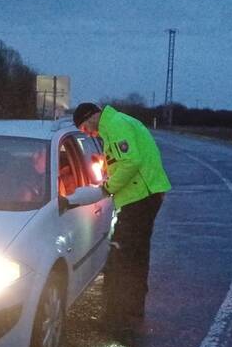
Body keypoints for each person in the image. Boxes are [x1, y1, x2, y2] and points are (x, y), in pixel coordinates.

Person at [72, 102, 171, 331]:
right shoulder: (119, 123)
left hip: (139, 197)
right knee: (136, 255)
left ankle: (118, 316)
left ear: (91, 117)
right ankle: (133, 310)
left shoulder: (114, 126)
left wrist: (107, 188)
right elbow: (123, 161)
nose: (88, 133)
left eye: (86, 128)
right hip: (145, 195)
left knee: (123, 257)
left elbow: (130, 161)